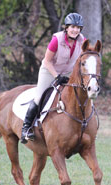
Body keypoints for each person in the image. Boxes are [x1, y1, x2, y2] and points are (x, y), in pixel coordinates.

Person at [21, 13, 85, 144]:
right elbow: (47, 61)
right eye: (72, 27)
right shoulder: (57, 39)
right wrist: (57, 76)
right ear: (66, 27)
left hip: (68, 73)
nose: (75, 30)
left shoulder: (82, 41)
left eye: (78, 27)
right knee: (39, 97)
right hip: (49, 71)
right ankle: (26, 128)